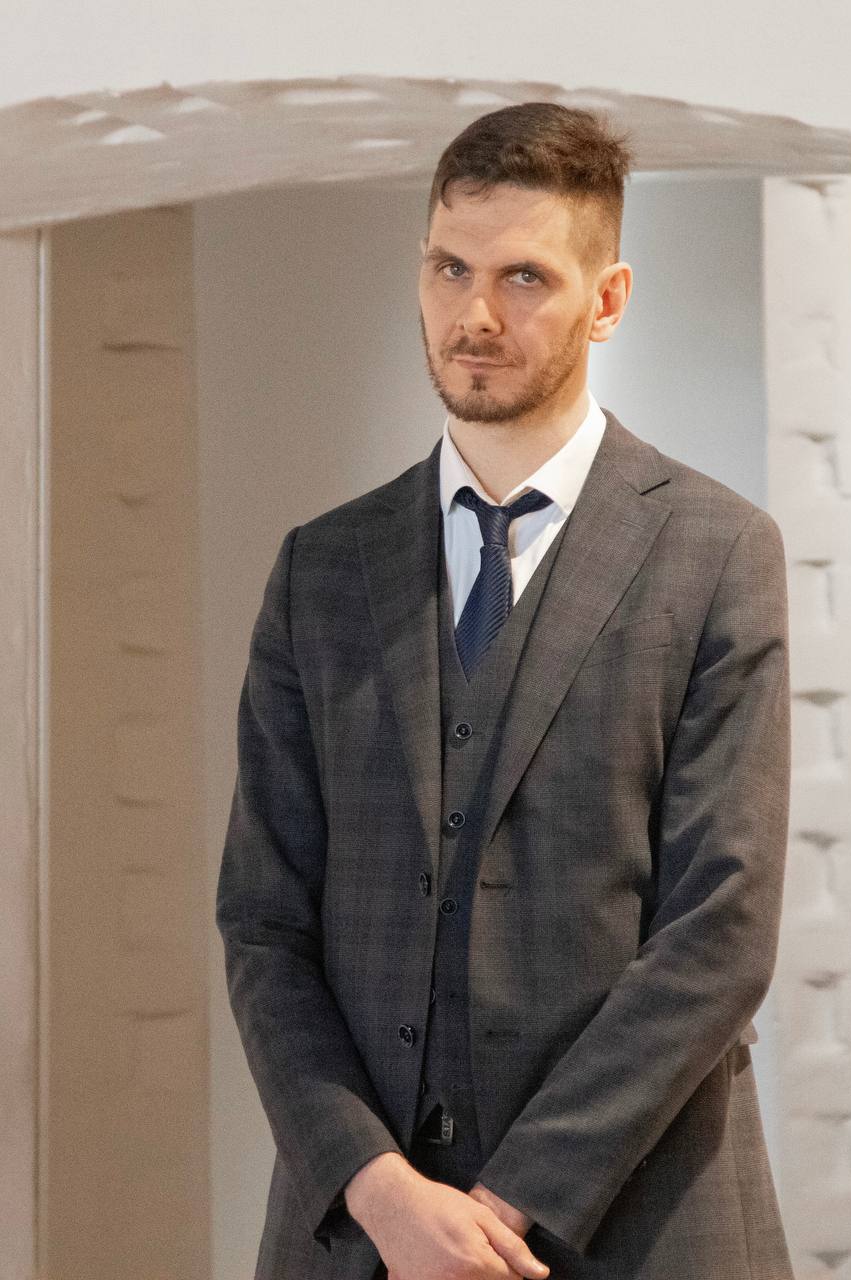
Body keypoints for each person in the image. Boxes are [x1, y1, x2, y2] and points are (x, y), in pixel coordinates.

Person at [216, 102, 794, 1280]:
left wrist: (508, 1202)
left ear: (607, 299)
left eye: (524, 276)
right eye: (449, 268)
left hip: (637, 1226)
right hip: (360, 1236)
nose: (474, 314)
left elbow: (720, 929)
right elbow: (263, 922)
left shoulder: (717, 551)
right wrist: (376, 1187)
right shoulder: (322, 568)